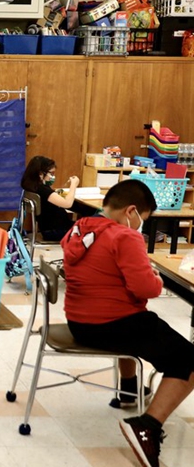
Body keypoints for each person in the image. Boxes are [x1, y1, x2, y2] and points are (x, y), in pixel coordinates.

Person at [61, 179, 194, 467]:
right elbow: (145, 289)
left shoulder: (81, 227)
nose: (140, 227)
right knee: (188, 360)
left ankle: (129, 390)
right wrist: (156, 280)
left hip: (79, 320)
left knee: (143, 324)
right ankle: (147, 425)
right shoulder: (125, 236)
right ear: (131, 212)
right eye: (142, 221)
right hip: (112, 323)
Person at [20, 155, 97, 241]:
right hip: (58, 231)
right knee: (96, 224)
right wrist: (73, 185)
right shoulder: (43, 190)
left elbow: (52, 196)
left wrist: (61, 192)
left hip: (50, 229)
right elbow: (67, 204)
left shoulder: (34, 187)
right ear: (41, 174)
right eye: (51, 173)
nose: (53, 176)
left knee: (85, 209)